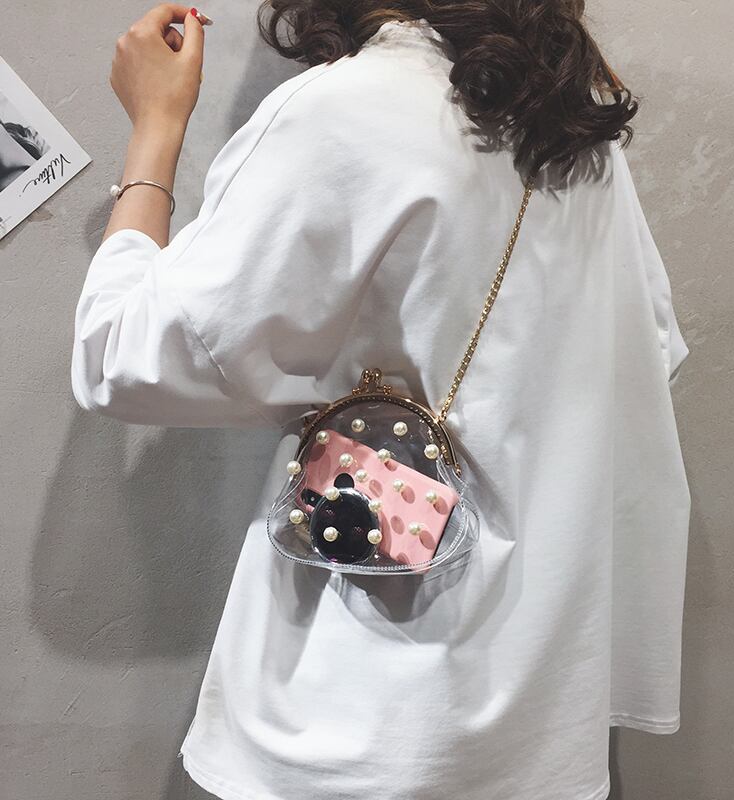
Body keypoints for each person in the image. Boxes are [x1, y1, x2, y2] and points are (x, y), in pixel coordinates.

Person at [70, 2, 691, 799]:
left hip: (361, 708)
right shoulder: (576, 129)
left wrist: (154, 130)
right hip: (539, 708)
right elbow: (654, 350)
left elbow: (120, 357)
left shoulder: (343, 109)